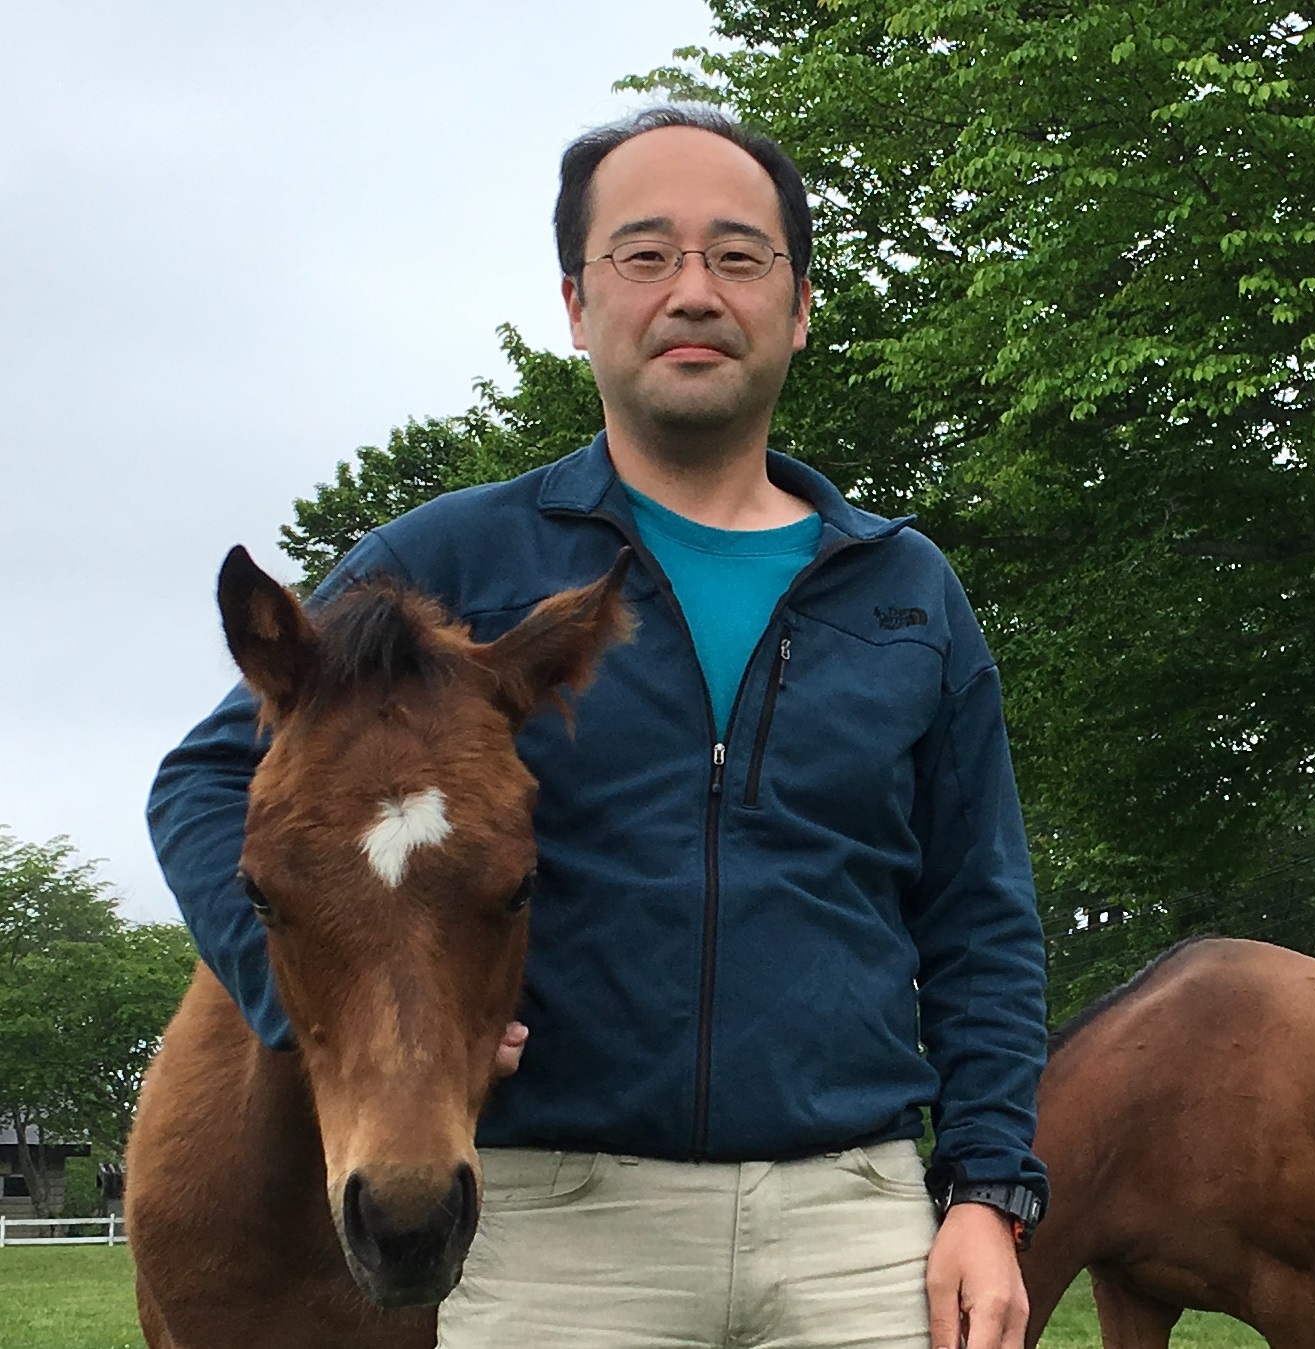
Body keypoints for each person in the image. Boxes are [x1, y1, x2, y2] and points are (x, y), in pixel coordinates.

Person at [149, 105, 1048, 1349]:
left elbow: (980, 919)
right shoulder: (450, 559)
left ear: (797, 308)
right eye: (644, 255)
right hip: (564, 1232)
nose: (693, 291)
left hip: (856, 1228)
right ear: (578, 305)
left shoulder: (906, 591)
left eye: (739, 257)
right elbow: (206, 781)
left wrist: (988, 1193)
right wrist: (305, 996)